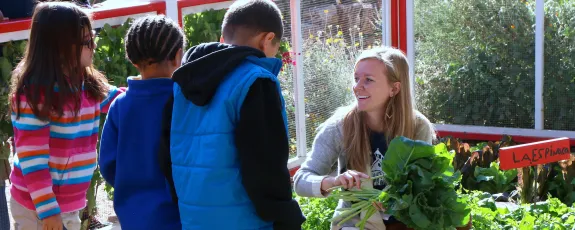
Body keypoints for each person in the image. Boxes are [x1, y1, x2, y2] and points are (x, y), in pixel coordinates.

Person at [157, 0, 305, 229]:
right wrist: (287, 217)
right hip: (246, 221)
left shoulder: (181, 84)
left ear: (223, 40)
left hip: (195, 220)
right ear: (267, 40)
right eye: (275, 48)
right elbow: (265, 166)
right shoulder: (256, 81)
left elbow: (167, 156)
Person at [293, 46, 471, 230]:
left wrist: (396, 201)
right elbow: (301, 180)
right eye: (356, 79)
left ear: (394, 88)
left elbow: (420, 184)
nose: (357, 86)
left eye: (368, 80)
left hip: (405, 222)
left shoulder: (417, 126)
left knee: (464, 222)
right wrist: (332, 182)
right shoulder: (339, 126)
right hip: (357, 223)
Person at [7, 2, 125, 230]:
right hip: (37, 208)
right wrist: (48, 211)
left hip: (68, 203)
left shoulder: (86, 84)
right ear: (59, 47)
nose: (94, 46)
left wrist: (144, 90)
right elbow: (33, 161)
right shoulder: (35, 95)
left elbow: (117, 101)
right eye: (87, 42)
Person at [98, 15, 185, 230]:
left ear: (133, 60)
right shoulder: (184, 101)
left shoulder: (119, 105)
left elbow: (108, 165)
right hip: (180, 217)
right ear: (177, 56)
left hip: (133, 218)